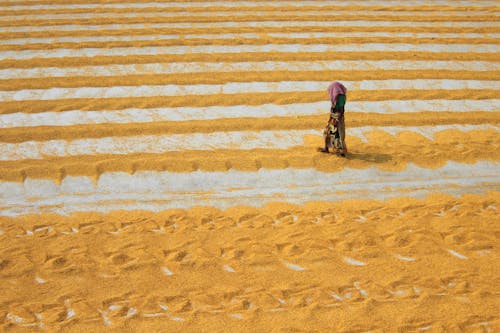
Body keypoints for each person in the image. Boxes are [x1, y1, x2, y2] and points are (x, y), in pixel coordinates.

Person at [321, 81, 347, 156]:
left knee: (338, 134)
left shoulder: (340, 96)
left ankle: (342, 151)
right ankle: (326, 148)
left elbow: (342, 109)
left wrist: (337, 120)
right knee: (327, 132)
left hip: (337, 118)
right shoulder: (335, 96)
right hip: (333, 117)